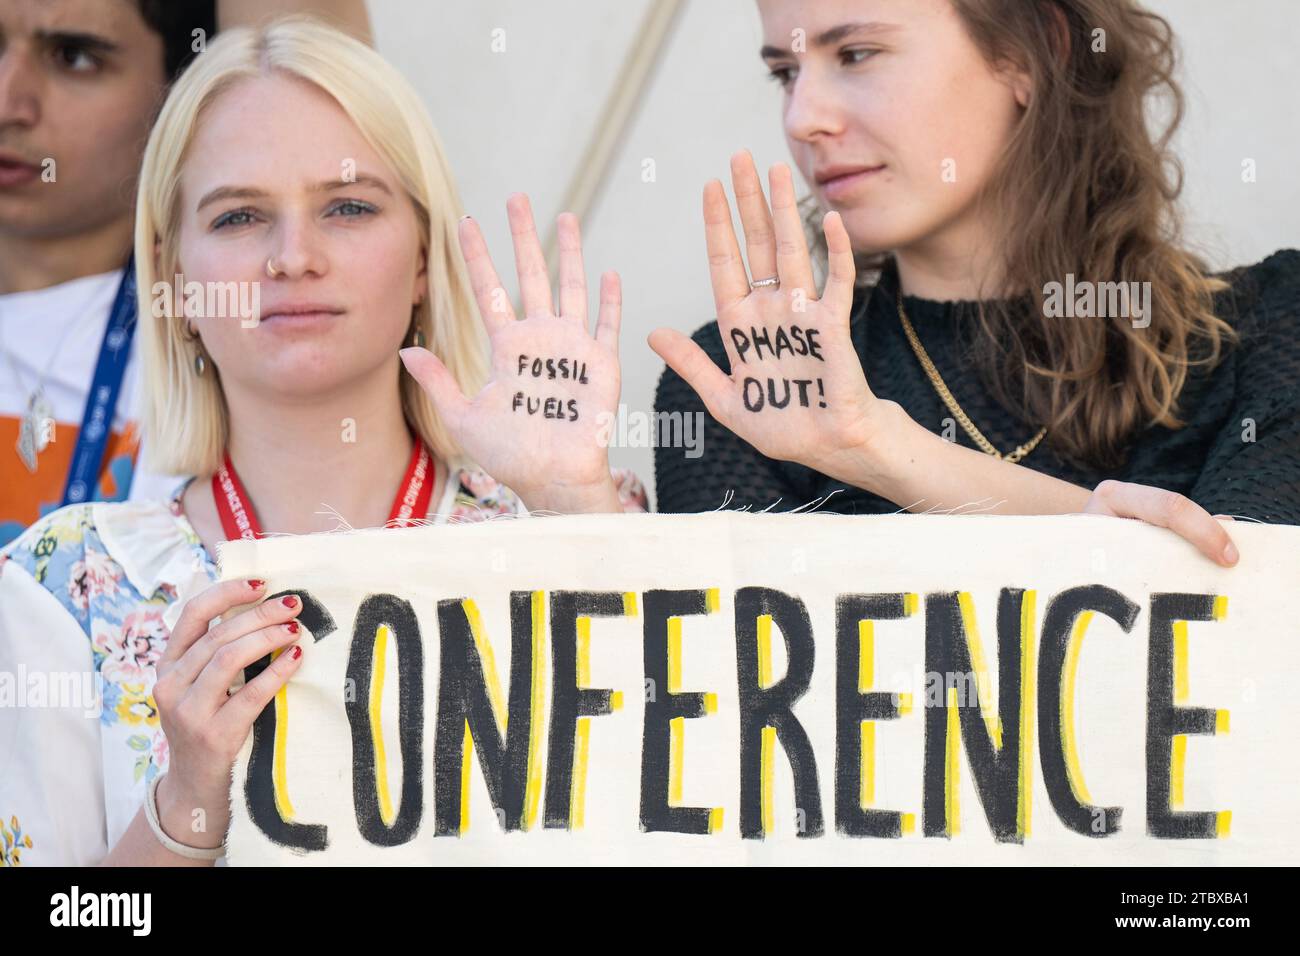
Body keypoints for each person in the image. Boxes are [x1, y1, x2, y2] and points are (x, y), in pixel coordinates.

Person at [0, 16, 646, 867]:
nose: (293, 256)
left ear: (422, 255)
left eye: (347, 207)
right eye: (238, 218)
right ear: (175, 273)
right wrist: (185, 809)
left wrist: (579, 528)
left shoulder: (581, 526)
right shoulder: (63, 586)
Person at [651, 0, 1299, 562]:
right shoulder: (746, 380)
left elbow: (1240, 610)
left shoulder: (1271, 327)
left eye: (855, 54)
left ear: (1030, 51)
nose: (801, 118)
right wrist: (577, 507)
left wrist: (876, 445)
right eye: (785, 73)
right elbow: (737, 676)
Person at [0, 0, 371, 548]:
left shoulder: (247, 319)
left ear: (177, 96)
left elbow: (317, 74)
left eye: (74, 57)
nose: (10, 102)